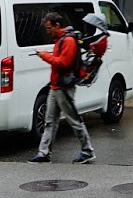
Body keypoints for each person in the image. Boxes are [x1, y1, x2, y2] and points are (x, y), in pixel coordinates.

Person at [28, 11, 95, 164]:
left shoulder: (68, 41)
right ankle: (44, 153)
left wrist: (45, 56)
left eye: (49, 28)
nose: (48, 31)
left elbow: (63, 63)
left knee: (73, 119)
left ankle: (87, 151)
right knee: (50, 121)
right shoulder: (61, 39)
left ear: (57, 25)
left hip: (64, 87)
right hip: (57, 86)